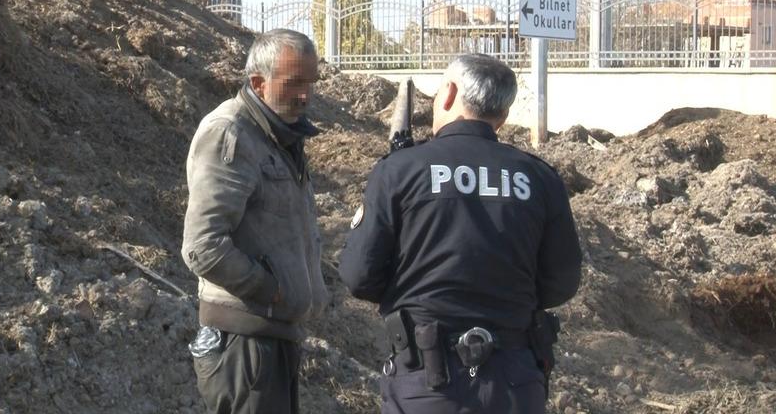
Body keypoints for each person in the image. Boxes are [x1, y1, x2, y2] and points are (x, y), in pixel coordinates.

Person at [339, 53, 583, 413]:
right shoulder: (539, 177)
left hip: (427, 380)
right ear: (503, 115)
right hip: (515, 380)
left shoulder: (400, 170)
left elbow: (359, 276)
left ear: (449, 93)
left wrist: (411, 289)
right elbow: (561, 282)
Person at [181, 29, 329, 414]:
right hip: (244, 345)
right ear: (258, 83)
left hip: (273, 340)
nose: (305, 96)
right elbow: (203, 246)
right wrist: (270, 288)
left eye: (310, 83)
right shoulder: (230, 133)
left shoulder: (278, 135)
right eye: (294, 83)